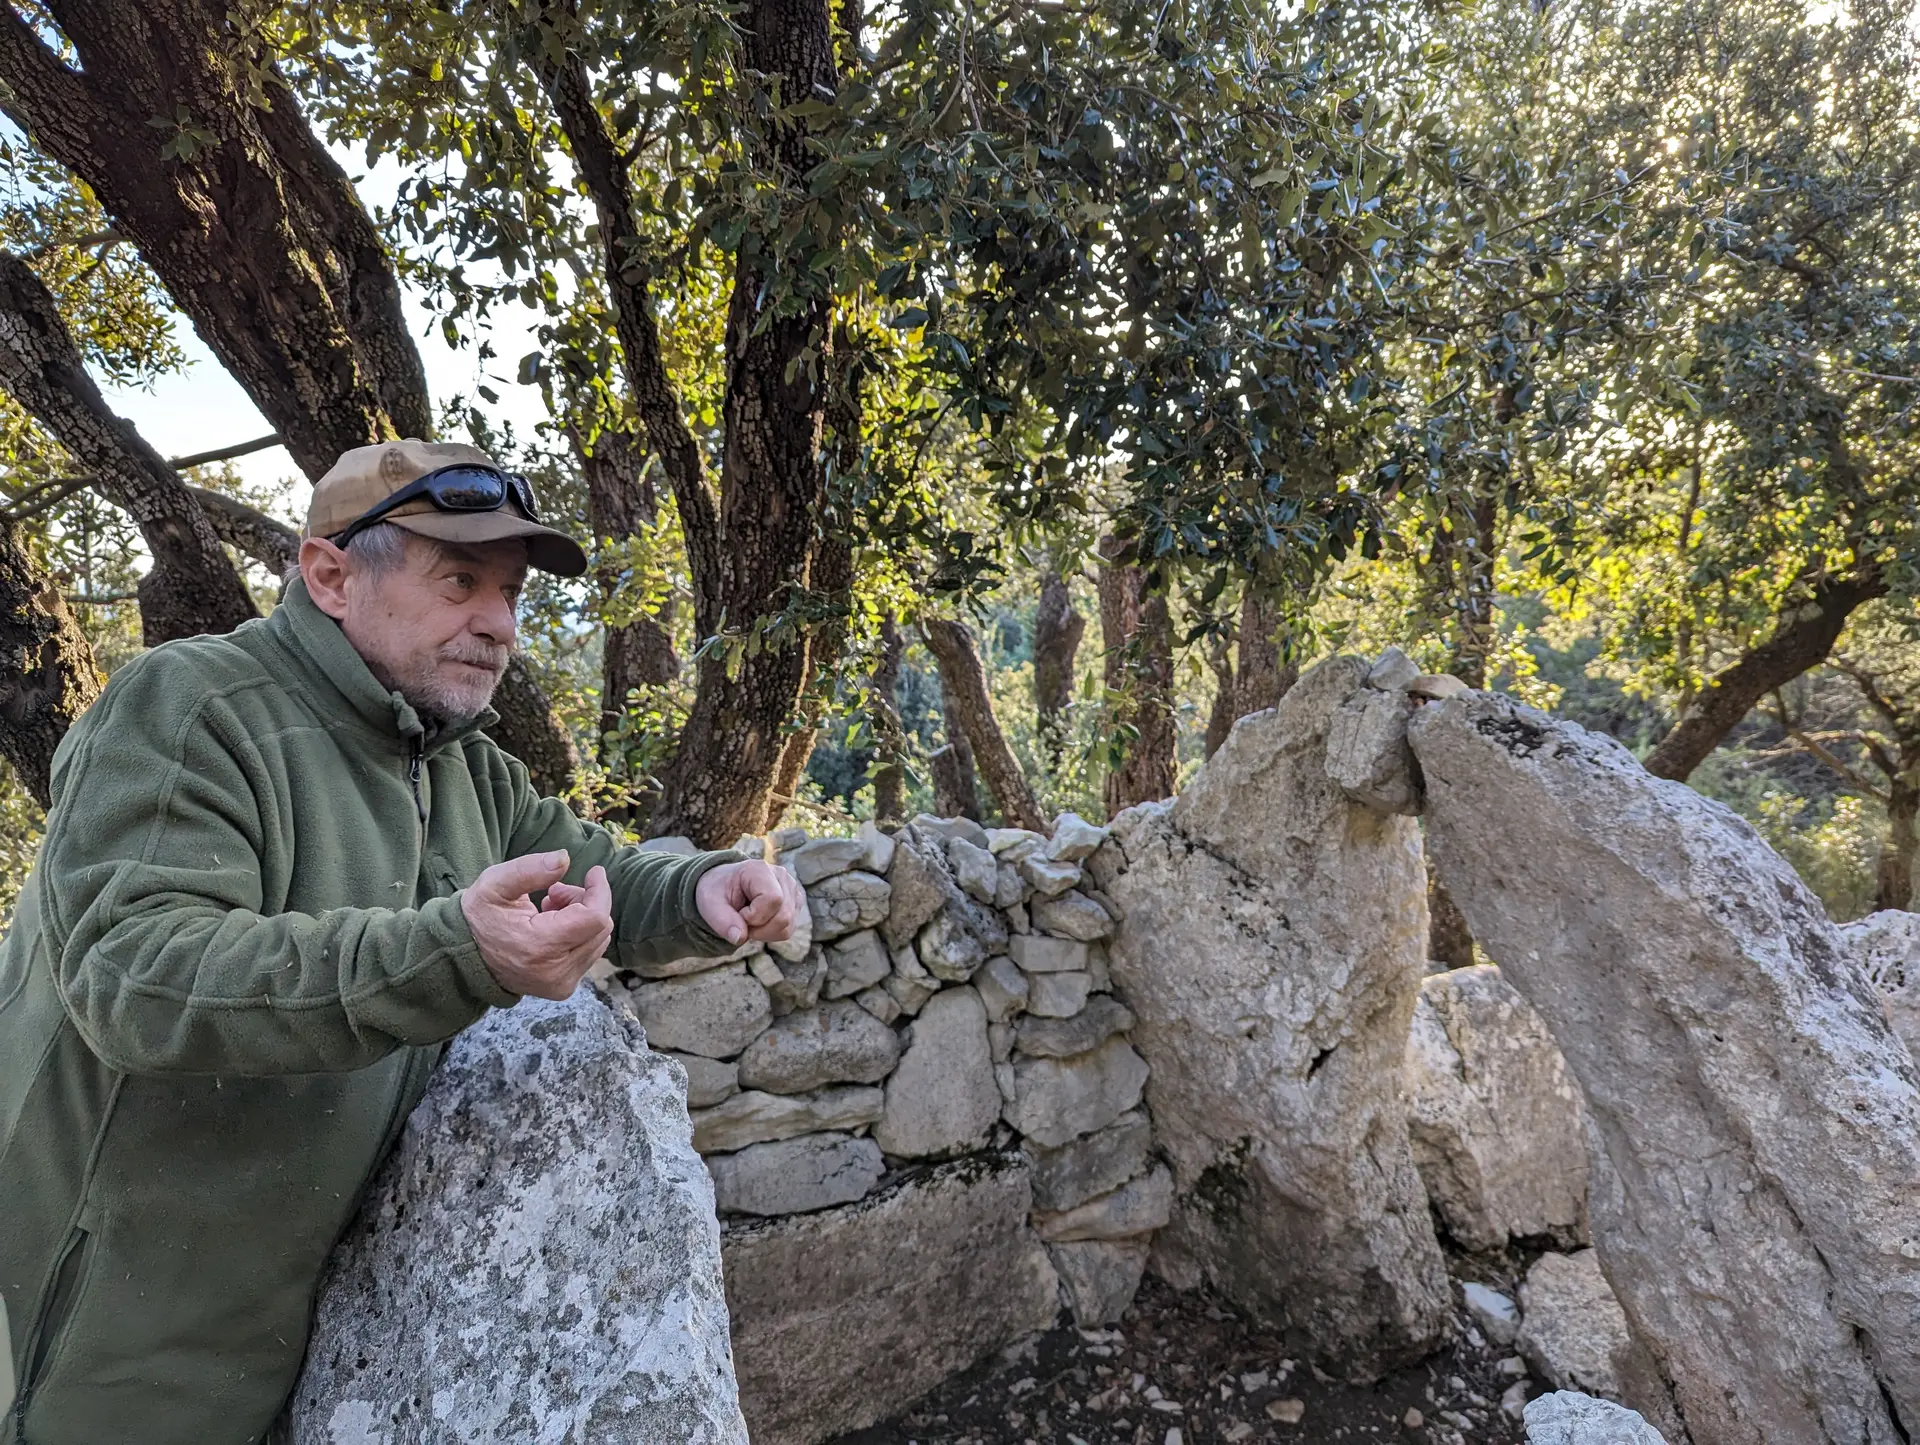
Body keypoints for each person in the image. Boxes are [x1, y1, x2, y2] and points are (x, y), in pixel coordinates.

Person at [0, 440, 803, 1445]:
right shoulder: (191, 708)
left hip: (267, 1343)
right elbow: (139, 977)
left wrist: (700, 887)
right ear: (331, 575)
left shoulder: (459, 763)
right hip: (85, 1343)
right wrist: (452, 950)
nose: (500, 625)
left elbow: (598, 869)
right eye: (461, 580)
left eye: (509, 592)